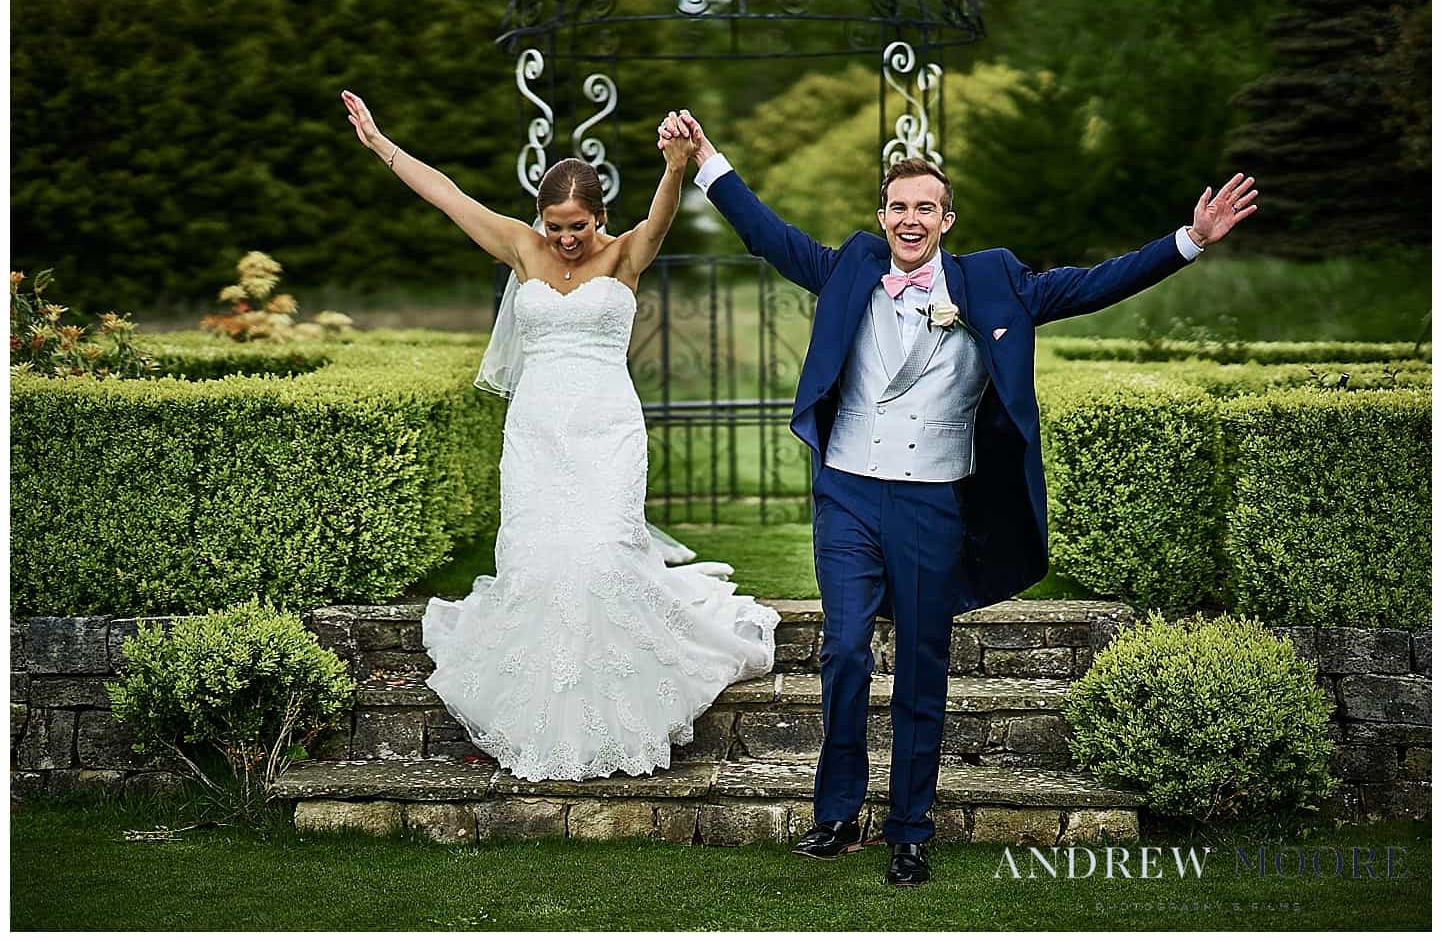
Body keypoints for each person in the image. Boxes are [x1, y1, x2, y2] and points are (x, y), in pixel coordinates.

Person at [658, 109, 1256, 886]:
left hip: (932, 501)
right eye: (898, 207)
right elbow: (768, 235)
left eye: (924, 208)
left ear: (947, 218)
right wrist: (707, 160)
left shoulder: (996, 281)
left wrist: (1191, 241)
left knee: (922, 665)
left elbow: (1095, 284)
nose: (911, 220)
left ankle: (910, 827)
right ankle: (836, 813)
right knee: (842, 652)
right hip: (847, 493)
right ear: (883, 217)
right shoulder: (849, 268)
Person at [340, 90, 778, 783]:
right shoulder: (523, 247)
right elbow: (449, 197)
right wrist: (380, 143)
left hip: (607, 429)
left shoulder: (626, 255)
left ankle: (616, 718)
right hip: (537, 432)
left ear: (599, 216)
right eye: (554, 226)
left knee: (603, 556)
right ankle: (539, 720)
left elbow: (661, 217)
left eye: (576, 225)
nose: (564, 238)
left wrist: (674, 165)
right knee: (540, 564)